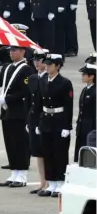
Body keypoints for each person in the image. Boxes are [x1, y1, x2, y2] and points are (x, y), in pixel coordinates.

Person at [0, 45, 34, 187]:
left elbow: (26, 91)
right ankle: (14, 173)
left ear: (23, 52)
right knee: (10, 142)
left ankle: (21, 175)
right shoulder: (7, 67)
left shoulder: (27, 69)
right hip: (7, 111)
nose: (11, 53)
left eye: (15, 50)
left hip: (19, 111)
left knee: (20, 143)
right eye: (10, 50)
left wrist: (8, 99)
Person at [34, 54, 73, 197]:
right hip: (46, 120)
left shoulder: (64, 83)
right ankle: (51, 183)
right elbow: (39, 102)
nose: (47, 66)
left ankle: (61, 183)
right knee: (47, 152)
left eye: (51, 64)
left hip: (59, 120)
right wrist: (38, 122)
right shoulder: (43, 80)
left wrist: (67, 126)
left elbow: (68, 106)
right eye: (47, 64)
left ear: (58, 66)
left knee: (59, 153)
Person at [26, 48, 49, 194]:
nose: (36, 62)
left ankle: (49, 182)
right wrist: (29, 121)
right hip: (34, 118)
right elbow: (29, 101)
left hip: (46, 119)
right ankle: (42, 182)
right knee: (38, 153)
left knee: (47, 152)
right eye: (34, 60)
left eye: (39, 60)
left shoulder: (49, 78)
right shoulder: (33, 78)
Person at [74, 63, 96, 162]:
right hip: (82, 125)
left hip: (91, 127)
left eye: (84, 74)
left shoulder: (95, 92)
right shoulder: (85, 89)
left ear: (91, 76)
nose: (82, 76)